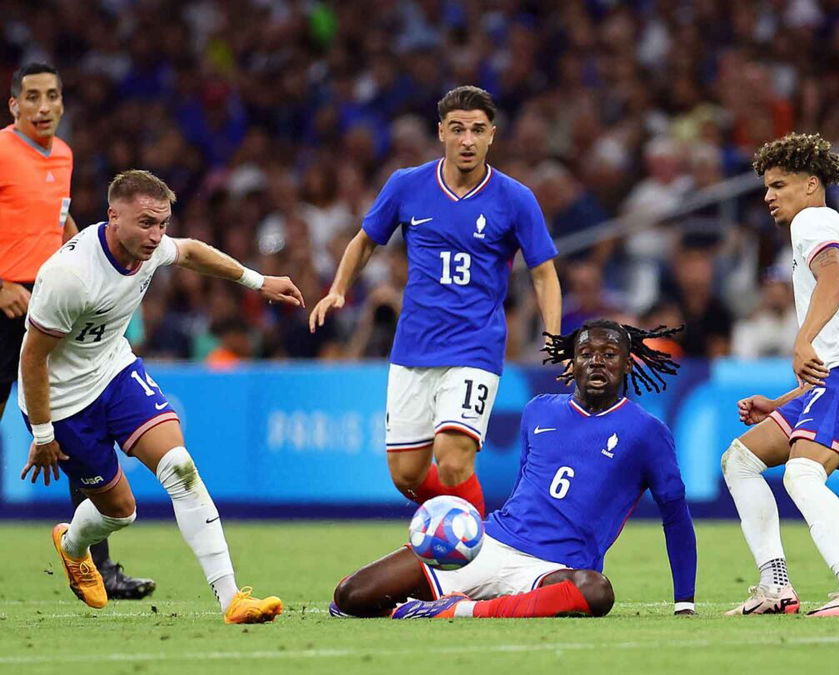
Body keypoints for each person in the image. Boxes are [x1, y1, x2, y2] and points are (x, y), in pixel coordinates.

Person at [19, 169, 298, 623]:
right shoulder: (69, 276)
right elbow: (32, 359)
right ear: (113, 216)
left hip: (113, 371)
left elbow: (190, 251)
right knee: (120, 512)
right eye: (146, 223)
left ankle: (232, 599)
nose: (157, 235)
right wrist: (43, 431)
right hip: (64, 399)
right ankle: (72, 544)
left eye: (163, 223)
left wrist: (257, 280)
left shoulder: (149, 249)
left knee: (180, 468)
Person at [329, 319, 697, 620]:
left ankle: (456, 611)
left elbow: (675, 516)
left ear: (628, 364)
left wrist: (684, 602)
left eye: (609, 354)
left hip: (552, 569)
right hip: (488, 545)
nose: (596, 362)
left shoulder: (647, 431)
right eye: (585, 354)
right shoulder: (539, 410)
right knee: (350, 596)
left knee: (596, 590)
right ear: (571, 364)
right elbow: (525, 485)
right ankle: (424, 608)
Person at [310, 85, 561, 516]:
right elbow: (364, 241)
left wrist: (555, 337)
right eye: (458, 129)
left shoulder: (516, 198)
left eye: (478, 130)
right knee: (406, 474)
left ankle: (477, 544)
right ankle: (460, 521)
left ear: (492, 136)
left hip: (475, 346)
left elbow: (544, 274)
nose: (468, 140)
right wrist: (337, 289)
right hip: (414, 346)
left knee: (452, 456)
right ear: (441, 131)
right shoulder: (407, 185)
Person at [722, 133, 839, 617]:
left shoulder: (813, 220)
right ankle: (775, 584)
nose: (768, 195)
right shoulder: (822, 224)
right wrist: (784, 402)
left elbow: (834, 279)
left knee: (802, 474)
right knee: (739, 461)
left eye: (779, 184)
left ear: (811, 184)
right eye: (766, 186)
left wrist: (801, 340)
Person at [0, 62, 154, 599]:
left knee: (79, 431)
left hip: (51, 305)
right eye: (32, 97)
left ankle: (100, 567)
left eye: (53, 96)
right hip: (6, 302)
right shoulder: (2, 151)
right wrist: (0, 284)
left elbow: (61, 224)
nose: (44, 107)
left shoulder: (61, 155)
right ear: (13, 105)